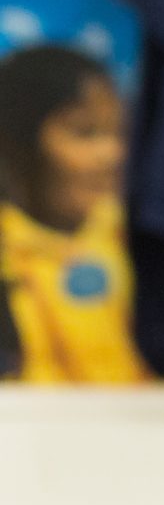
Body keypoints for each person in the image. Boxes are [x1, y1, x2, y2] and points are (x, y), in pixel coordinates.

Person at [0, 43, 148, 386]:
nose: (112, 154)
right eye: (85, 132)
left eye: (121, 133)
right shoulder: (9, 252)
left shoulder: (141, 243)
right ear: (19, 143)